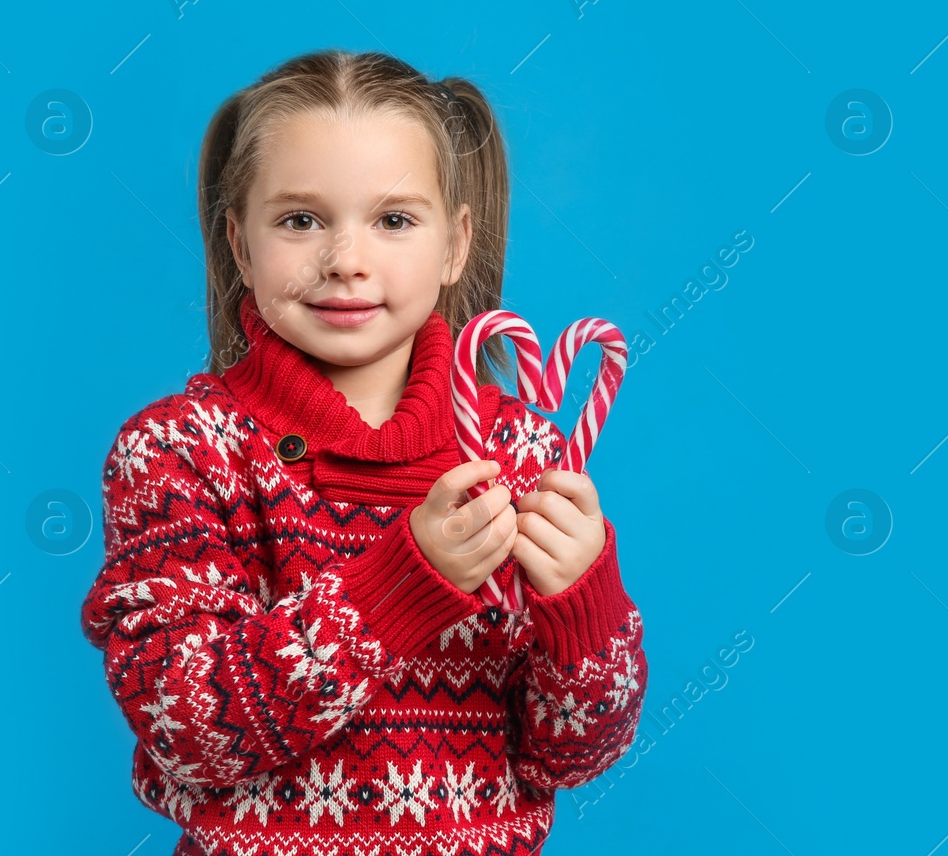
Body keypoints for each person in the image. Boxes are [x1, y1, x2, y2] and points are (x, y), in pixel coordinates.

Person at [79, 49, 646, 855]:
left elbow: (575, 753)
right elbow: (189, 726)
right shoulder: (182, 452)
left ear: (455, 245)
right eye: (300, 219)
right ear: (240, 246)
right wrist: (403, 584)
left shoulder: (519, 451)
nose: (346, 258)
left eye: (393, 220)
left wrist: (584, 609)